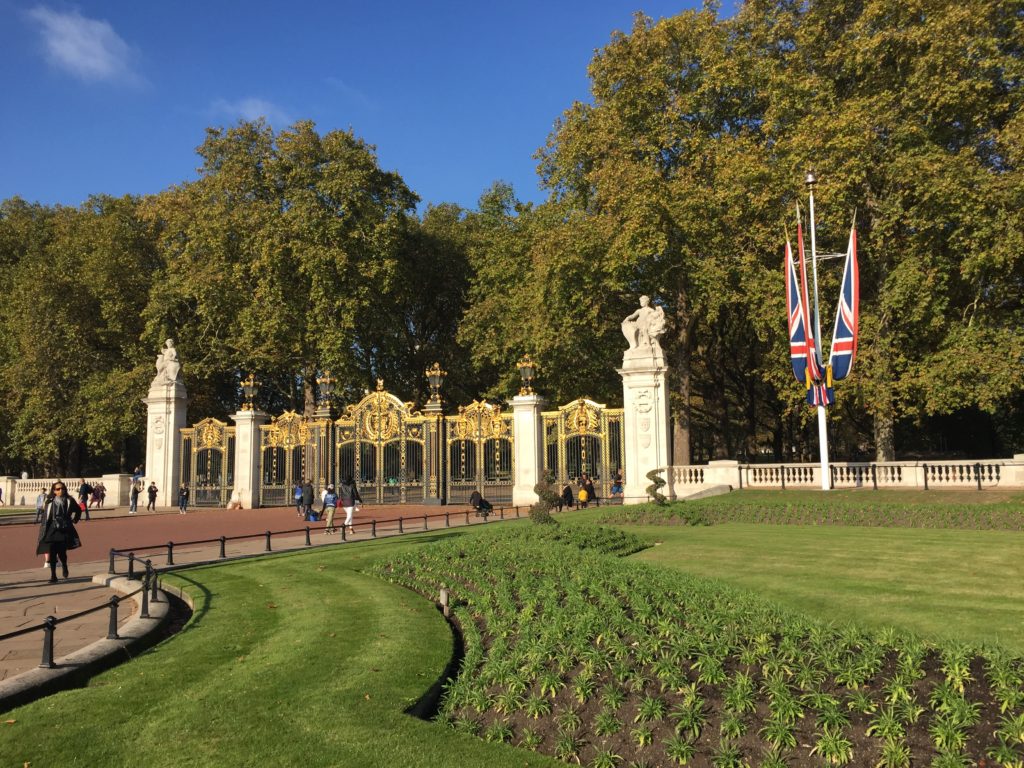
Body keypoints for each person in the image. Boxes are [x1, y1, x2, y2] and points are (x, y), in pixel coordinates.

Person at [36, 480, 82, 583]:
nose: (60, 490)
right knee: (52, 552)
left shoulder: (69, 500)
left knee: (62, 552)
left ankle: (64, 566)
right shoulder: (49, 501)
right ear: (54, 491)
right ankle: (53, 576)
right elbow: (45, 516)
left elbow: (78, 510)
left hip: (64, 528)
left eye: (62, 488)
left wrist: (75, 520)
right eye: (58, 489)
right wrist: (44, 527)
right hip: (52, 529)